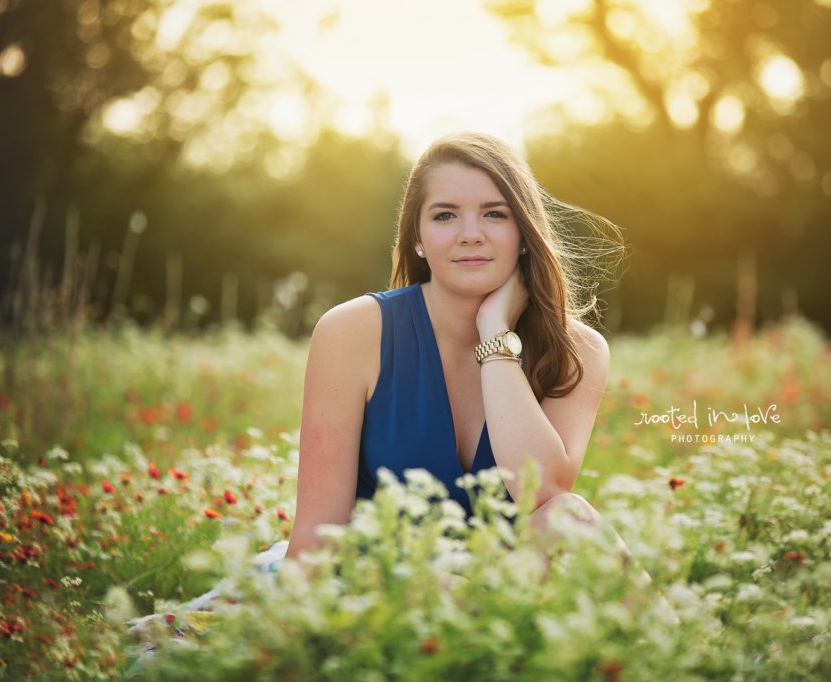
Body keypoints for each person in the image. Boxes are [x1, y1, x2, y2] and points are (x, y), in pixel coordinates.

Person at [285, 131, 669, 606]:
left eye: (495, 214)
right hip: (381, 594)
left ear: (525, 235)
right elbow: (318, 535)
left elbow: (541, 490)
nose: (471, 233)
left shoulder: (578, 350)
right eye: (445, 215)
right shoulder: (352, 332)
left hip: (499, 591)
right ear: (418, 240)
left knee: (568, 514)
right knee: (432, 586)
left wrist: (495, 334)